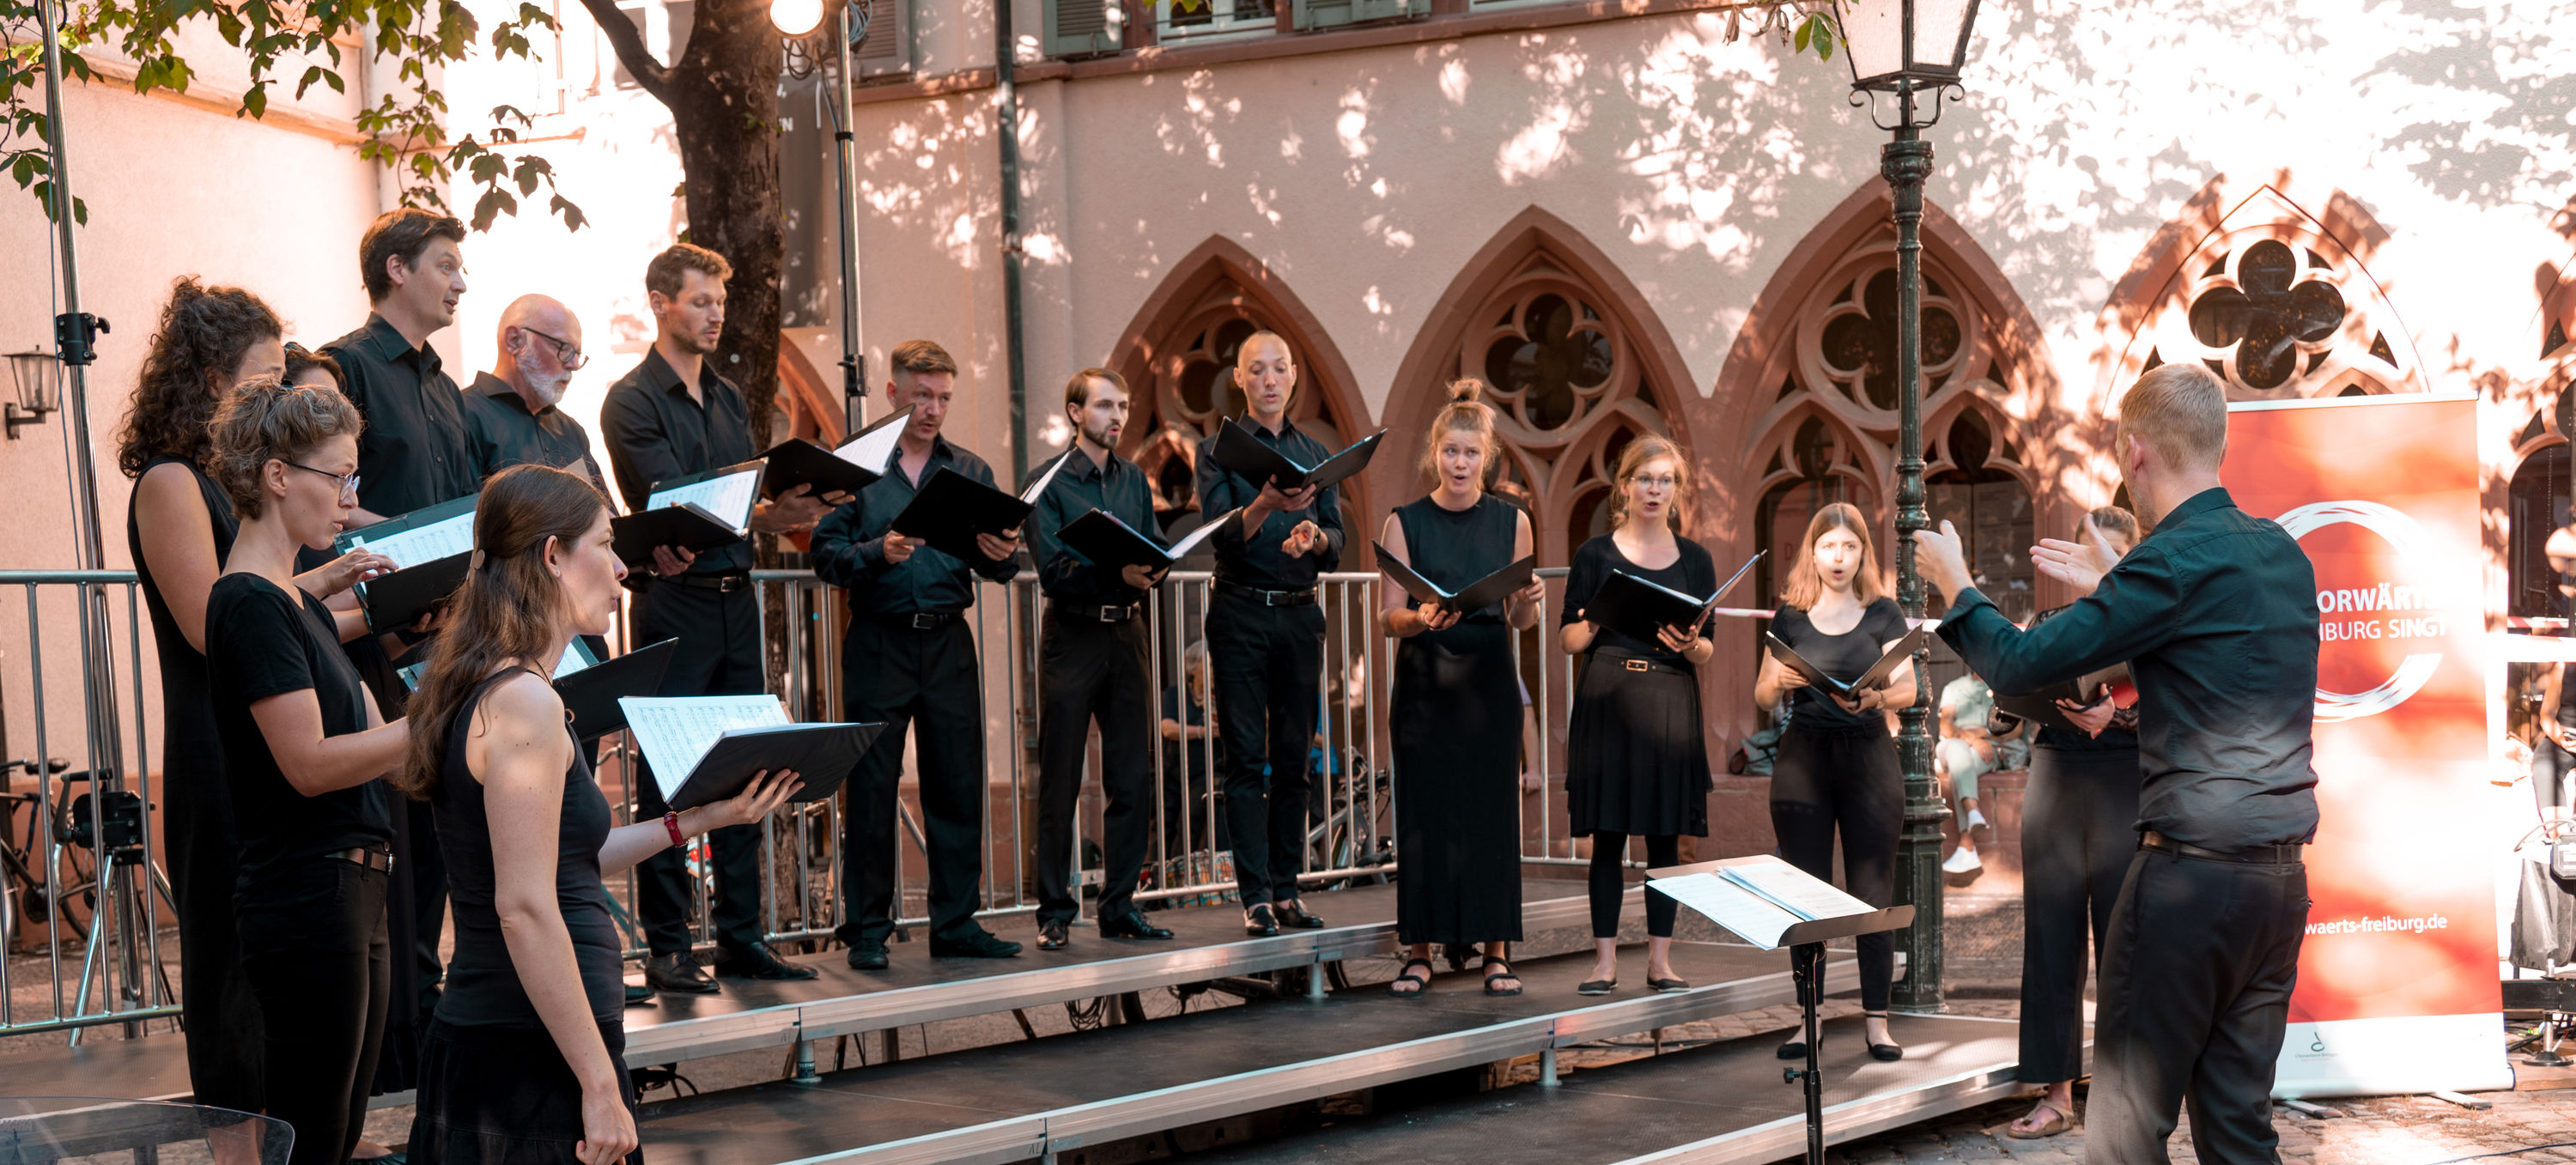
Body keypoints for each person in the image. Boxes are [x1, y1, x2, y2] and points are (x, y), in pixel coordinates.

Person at [1917, 363, 2318, 1165]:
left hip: (2189, 884)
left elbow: (2021, 663)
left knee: (2126, 1134)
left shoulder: (2166, 564)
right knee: (2241, 1130)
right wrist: (2116, 588)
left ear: (2135, 451)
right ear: (2217, 444)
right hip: (2277, 886)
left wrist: (1957, 586)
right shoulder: (2282, 553)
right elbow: (2213, 650)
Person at [396, 465, 803, 1165]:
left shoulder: (511, 688)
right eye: (606, 543)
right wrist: (598, 1081)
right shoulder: (522, 701)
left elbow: (567, 859)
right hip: (527, 1051)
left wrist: (702, 817)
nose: (621, 569)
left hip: (529, 1038)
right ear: (553, 555)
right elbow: (525, 905)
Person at [118, 280, 386, 1121]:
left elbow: (281, 617)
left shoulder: (239, 493)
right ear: (208, 379)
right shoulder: (172, 482)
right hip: (219, 744)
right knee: (231, 960)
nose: (280, 389)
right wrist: (326, 587)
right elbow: (216, 622)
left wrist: (365, 601)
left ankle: (305, 1127)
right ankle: (241, 1141)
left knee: (296, 971)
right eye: (264, 377)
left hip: (272, 726)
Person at [600, 243, 841, 992]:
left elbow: (738, 494)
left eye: (721, 303)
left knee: (748, 762)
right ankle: (670, 946)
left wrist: (782, 506)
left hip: (738, 598)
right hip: (676, 600)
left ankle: (742, 936)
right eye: (701, 301)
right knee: (669, 775)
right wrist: (766, 514)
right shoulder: (631, 399)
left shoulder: (731, 396)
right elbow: (678, 501)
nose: (716, 315)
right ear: (661, 302)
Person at [201, 376, 410, 1165]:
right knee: (313, 1136)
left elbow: (369, 727)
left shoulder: (289, 600)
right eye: (339, 479)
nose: (350, 503)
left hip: (350, 882)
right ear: (278, 476)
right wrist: (435, 720)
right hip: (308, 890)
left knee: (339, 1130)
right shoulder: (251, 603)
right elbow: (310, 765)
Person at [323, 208, 485, 1075]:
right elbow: (332, 505)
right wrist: (413, 551)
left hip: (440, 635)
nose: (461, 282)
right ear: (396, 268)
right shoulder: (343, 367)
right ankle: (387, 1048)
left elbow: (463, 503)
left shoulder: (445, 388)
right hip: (370, 638)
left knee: (437, 840)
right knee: (395, 848)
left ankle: (425, 1031)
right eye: (446, 264)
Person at [814, 339, 1025, 967]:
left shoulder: (970, 470)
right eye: (921, 396)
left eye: (943, 398)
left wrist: (1002, 554)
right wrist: (877, 551)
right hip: (879, 640)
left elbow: (1003, 566)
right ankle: (868, 930)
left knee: (957, 783)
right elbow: (826, 556)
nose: (933, 409)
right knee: (873, 786)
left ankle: (956, 923)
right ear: (893, 393)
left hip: (948, 640)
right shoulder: (855, 466)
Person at [1377, 381, 1545, 998]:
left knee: (1489, 815)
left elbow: (1521, 620)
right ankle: (1419, 951)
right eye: (1450, 451)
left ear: (1487, 457)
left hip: (1488, 680)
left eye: (1471, 453)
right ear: (1435, 453)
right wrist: (1420, 616)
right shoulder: (1404, 521)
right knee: (1425, 814)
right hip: (1424, 680)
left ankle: (1496, 952)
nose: (1460, 463)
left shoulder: (1513, 521)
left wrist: (1529, 600)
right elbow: (1387, 616)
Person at [1194, 331, 1344, 937]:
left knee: (1294, 761)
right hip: (1241, 611)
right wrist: (1264, 505)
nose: (1270, 379)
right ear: (1239, 378)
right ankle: (1253, 896)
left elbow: (1337, 539)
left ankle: (1287, 890)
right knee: (1245, 759)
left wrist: (1315, 536)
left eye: (1279, 368)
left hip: (1301, 613)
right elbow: (1221, 535)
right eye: (1257, 369)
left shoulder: (1314, 451)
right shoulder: (1217, 450)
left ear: (1294, 375)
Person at [1755, 501, 1916, 1060]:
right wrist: (1780, 680)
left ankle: (1878, 1022)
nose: (1839, 557)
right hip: (1804, 759)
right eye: (1828, 546)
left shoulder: (1883, 612)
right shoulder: (1791, 616)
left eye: (1850, 546)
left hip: (1868, 755)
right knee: (1806, 892)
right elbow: (1762, 694)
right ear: (1813, 552)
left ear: (1863, 552)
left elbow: (1908, 689)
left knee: (1872, 891)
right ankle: (1809, 1019)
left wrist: (1875, 698)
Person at [1558, 433, 1716, 996]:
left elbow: (1708, 648)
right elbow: (1569, 640)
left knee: (1664, 838)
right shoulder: (1594, 555)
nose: (1654, 489)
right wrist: (1599, 617)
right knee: (1607, 835)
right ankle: (1603, 963)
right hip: (1607, 694)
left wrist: (1689, 643)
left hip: (1669, 696)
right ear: (1624, 486)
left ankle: (1660, 962)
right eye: (1645, 478)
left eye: (1665, 480)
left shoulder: (1695, 559)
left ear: (1676, 490)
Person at [2008, 505, 2144, 1141]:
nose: (2100, 566)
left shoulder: (2150, 628)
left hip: (2124, 781)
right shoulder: (2050, 623)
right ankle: (2055, 1094)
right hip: (2055, 777)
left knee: (2123, 941)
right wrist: (2007, 682)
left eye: (2112, 555)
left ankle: (2124, 1095)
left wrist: (2117, 716)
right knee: (2050, 938)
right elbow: (2005, 714)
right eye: (2090, 555)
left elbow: (2176, 704)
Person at [1026, 368, 1176, 950]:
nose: (1117, 416)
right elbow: (1053, 570)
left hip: (1127, 633)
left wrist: (1156, 567)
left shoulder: (1133, 478)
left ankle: (1119, 906)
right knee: (1060, 777)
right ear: (1074, 412)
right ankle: (1054, 912)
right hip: (1073, 634)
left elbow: (1153, 544)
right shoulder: (1047, 481)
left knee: (1131, 776)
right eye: (1105, 405)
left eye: (1123, 406)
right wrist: (1118, 573)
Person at [464, 294, 608, 493]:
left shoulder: (571, 431)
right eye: (563, 348)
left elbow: (602, 509)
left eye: (577, 354)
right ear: (514, 341)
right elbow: (465, 510)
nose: (574, 365)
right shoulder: (462, 417)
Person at [1158, 641, 1220, 853]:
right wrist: (1202, 731)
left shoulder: (1217, 697)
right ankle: (1162, 869)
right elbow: (1168, 729)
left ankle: (1183, 868)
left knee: (1189, 822)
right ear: (1193, 668)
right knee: (1164, 825)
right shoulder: (1175, 694)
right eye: (1209, 664)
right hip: (1174, 770)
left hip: (1206, 772)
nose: (1213, 670)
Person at [1935, 674, 1998, 880]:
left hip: (1987, 750)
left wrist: (1984, 734)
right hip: (1955, 744)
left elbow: (2013, 732)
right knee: (1956, 750)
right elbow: (1945, 727)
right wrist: (1973, 738)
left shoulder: (2003, 685)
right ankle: (1973, 812)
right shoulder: (1954, 687)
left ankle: (1967, 845)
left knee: (1961, 767)